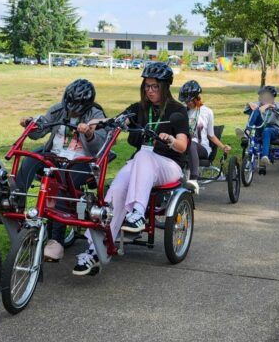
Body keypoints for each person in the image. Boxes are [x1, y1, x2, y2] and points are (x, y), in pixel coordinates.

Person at [73, 62, 188, 276]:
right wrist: (90, 124)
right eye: (147, 86)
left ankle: (137, 212)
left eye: (155, 87)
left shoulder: (177, 111)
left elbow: (183, 145)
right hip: (142, 163)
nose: (150, 90)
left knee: (144, 155)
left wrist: (171, 139)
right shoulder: (139, 109)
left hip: (169, 165)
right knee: (115, 190)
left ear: (165, 87)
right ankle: (94, 250)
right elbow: (109, 120)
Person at [16, 78, 106, 261]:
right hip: (54, 155)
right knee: (30, 159)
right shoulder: (58, 109)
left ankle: (56, 241)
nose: (71, 108)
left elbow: (100, 145)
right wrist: (30, 124)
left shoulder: (96, 114)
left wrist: (89, 133)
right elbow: (40, 130)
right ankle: (15, 204)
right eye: (69, 102)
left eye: (76, 105)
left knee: (61, 179)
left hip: (81, 160)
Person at [179, 79, 231, 192]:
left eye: (189, 101)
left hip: (202, 148)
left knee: (191, 143)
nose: (187, 103)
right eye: (185, 101)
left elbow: (211, 135)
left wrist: (223, 147)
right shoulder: (182, 112)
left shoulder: (207, 112)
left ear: (196, 97)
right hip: (183, 147)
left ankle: (194, 179)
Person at [237, 86, 279, 168]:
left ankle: (264, 156)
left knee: (267, 130)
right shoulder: (258, 104)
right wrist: (249, 103)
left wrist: (269, 105)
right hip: (260, 128)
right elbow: (247, 110)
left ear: (272, 98)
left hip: (273, 130)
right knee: (256, 110)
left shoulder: (277, 105)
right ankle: (247, 132)